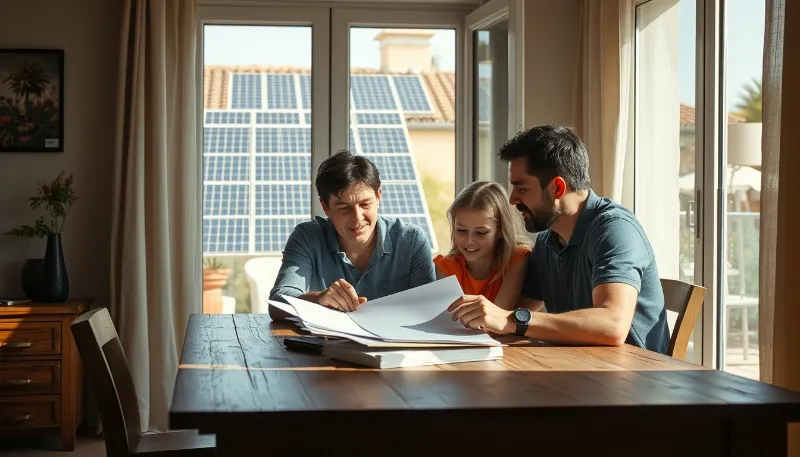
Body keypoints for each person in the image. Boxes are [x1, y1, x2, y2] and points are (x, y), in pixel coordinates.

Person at [447, 125, 670, 354]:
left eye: (522, 189)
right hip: (577, 370)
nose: (512, 200)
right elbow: (509, 314)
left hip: (635, 378)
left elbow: (612, 325)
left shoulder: (615, 229)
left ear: (557, 188)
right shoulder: (546, 242)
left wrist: (513, 319)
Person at [268, 150, 436, 320]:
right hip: (327, 345)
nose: (357, 218)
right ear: (326, 207)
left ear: (378, 197)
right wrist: (318, 299)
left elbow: (429, 310)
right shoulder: (307, 237)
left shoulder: (412, 241)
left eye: (365, 204)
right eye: (344, 208)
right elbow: (277, 303)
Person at [433, 181, 531, 311]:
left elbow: (496, 318)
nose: (469, 240)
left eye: (481, 232)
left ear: (501, 230)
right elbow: (450, 321)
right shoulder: (446, 267)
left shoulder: (517, 259)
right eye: (461, 230)